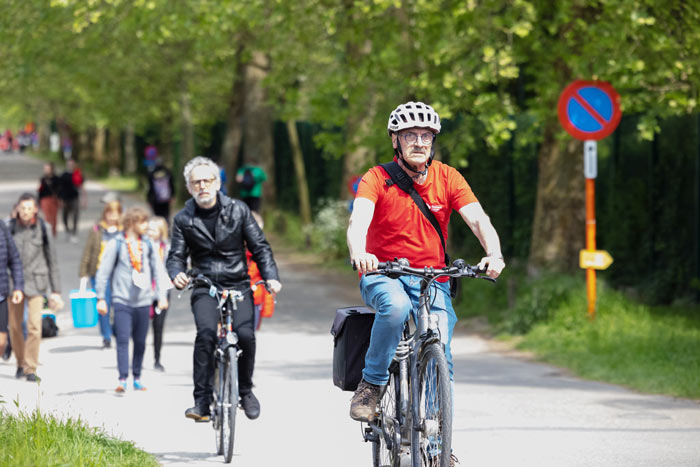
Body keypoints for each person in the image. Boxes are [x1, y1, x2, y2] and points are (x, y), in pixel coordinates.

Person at [346, 102, 506, 434]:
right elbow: (358, 219)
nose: (419, 142)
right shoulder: (377, 178)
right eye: (410, 135)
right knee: (395, 308)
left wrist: (494, 253)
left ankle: (437, 443)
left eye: (426, 136)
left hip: (433, 277)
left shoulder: (448, 177)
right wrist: (360, 252)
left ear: (433, 141)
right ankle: (372, 385)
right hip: (383, 273)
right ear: (395, 141)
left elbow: (477, 219)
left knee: (441, 344)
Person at [167, 156, 282, 422]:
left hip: (238, 283)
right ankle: (202, 401)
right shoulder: (184, 219)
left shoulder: (239, 210)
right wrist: (176, 274)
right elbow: (175, 255)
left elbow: (260, 247)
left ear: (218, 183)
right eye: (197, 182)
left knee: (246, 335)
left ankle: (245, 390)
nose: (203, 186)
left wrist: (271, 277)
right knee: (206, 334)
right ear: (189, 187)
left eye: (208, 180)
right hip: (204, 285)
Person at [95, 206, 170, 393]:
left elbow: (159, 271)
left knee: (140, 341)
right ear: (131, 223)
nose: (146, 226)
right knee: (122, 339)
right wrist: (100, 298)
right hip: (121, 300)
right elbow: (103, 272)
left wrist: (161, 296)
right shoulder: (117, 243)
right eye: (142, 222)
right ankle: (122, 378)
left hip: (144, 301)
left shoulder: (149, 245)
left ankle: (137, 376)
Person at [8, 193, 63, 382]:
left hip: (37, 283)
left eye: (29, 208)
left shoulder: (44, 229)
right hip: (13, 284)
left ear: (35, 210)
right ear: (17, 209)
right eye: (22, 208)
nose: (25, 212)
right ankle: (20, 361)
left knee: (34, 326)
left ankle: (30, 367)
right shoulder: (9, 227)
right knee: (15, 327)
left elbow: (52, 261)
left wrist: (56, 291)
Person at [79, 193, 123, 348]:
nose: (112, 216)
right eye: (109, 213)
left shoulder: (124, 231)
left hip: (119, 275)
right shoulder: (97, 229)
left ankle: (117, 330)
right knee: (103, 305)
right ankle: (106, 336)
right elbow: (88, 251)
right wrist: (83, 273)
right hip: (98, 273)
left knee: (118, 305)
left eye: (115, 213)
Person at [147, 216, 171, 371]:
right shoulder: (141, 247)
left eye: (153, 229)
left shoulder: (167, 249)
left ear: (161, 232)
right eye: (148, 228)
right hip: (145, 291)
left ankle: (157, 358)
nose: (149, 232)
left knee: (158, 326)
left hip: (162, 292)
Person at [0, 218, 24, 365]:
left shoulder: (1, 226)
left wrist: (18, 287)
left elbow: (14, 258)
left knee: (1, 342)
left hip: (1, 294)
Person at [246, 212, 276, 330]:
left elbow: (268, 280)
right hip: (233, 297)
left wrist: (267, 308)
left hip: (255, 299)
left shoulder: (261, 254)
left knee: (250, 335)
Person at [57, 159, 82, 243]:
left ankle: (74, 233)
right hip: (65, 199)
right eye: (69, 164)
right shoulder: (63, 175)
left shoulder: (77, 174)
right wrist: (60, 200)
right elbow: (59, 188)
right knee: (65, 216)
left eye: (72, 164)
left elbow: (81, 186)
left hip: (75, 198)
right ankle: (67, 231)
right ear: (67, 165)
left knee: (75, 216)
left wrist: (84, 199)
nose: (70, 165)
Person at [38, 162, 60, 236]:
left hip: (54, 199)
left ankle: (53, 232)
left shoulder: (57, 179)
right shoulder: (43, 179)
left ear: (52, 169)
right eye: (45, 169)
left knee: (54, 217)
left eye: (48, 169)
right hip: (45, 199)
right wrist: (39, 202)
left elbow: (60, 190)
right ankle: (47, 232)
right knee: (47, 217)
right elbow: (40, 191)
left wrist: (59, 198)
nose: (46, 170)